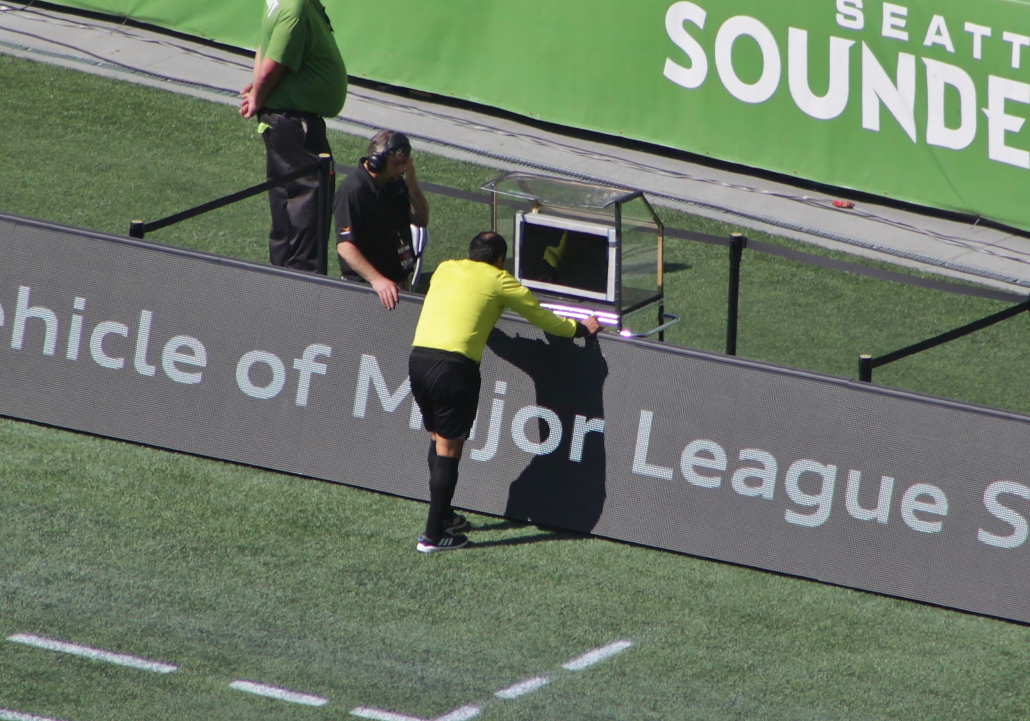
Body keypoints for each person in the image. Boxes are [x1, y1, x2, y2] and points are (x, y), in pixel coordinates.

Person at [408, 231, 601, 553]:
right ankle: (433, 535)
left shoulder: (444, 268)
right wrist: (580, 328)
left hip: (419, 360)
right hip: (454, 369)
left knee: (437, 439)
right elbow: (542, 318)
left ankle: (445, 518)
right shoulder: (500, 280)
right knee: (450, 449)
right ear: (500, 260)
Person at [239, 0, 346, 274]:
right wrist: (258, 97)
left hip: (286, 124)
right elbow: (272, 63)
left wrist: (257, 95)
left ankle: (282, 277)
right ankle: (300, 286)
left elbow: (266, 48)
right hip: (296, 126)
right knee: (308, 210)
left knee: (288, 206)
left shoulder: (279, 3)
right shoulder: (294, 7)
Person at [334, 131, 430, 310]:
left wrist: (412, 185)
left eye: (405, 164)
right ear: (376, 161)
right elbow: (345, 247)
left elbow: (422, 220)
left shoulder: (395, 182)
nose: (402, 169)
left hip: (397, 284)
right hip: (369, 288)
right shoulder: (353, 190)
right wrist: (378, 281)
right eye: (396, 164)